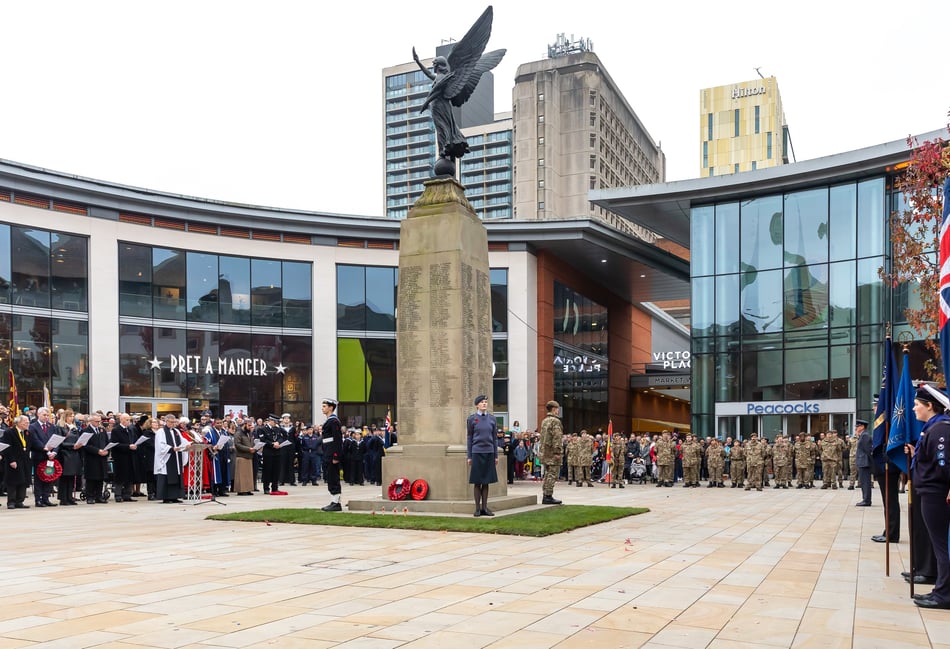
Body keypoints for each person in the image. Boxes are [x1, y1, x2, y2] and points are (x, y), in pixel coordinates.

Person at [906, 385, 950, 609]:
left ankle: (944, 595)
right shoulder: (932, 428)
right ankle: (941, 589)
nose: (914, 409)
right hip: (932, 491)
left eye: (917, 405)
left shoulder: (940, 429)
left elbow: (944, 465)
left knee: (942, 545)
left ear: (930, 406)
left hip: (936, 493)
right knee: (939, 544)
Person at [466, 394, 498, 517]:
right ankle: (477, 508)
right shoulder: (472, 419)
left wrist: (495, 455)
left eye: (485, 402)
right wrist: (469, 456)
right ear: (477, 405)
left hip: (489, 452)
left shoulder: (492, 419)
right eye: (482, 402)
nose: (484, 404)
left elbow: (494, 438)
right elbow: (469, 438)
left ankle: (485, 507)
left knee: (486, 481)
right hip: (477, 452)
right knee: (477, 481)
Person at [28, 406, 59, 507]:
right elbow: (35, 441)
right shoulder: (33, 426)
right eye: (44, 415)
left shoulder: (52, 426)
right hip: (39, 456)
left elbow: (56, 440)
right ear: (38, 414)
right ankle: (38, 499)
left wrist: (54, 452)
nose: (46, 417)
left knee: (49, 476)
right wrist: (46, 451)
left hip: (50, 458)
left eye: (47, 415)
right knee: (39, 478)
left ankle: (46, 498)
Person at [2, 414, 32, 509]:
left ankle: (20, 501)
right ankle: (11, 501)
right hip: (14, 460)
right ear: (18, 423)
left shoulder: (27, 433)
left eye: (28, 422)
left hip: (25, 460)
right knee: (13, 481)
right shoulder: (9, 432)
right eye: (25, 422)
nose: (27, 424)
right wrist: (11, 460)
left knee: (23, 481)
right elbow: (7, 448)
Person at [155, 414, 186, 503]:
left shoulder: (176, 431)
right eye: (171, 422)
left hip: (176, 457)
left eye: (174, 422)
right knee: (167, 476)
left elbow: (182, 440)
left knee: (177, 475)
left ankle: (175, 496)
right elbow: (160, 445)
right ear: (166, 421)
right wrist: (171, 448)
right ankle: (166, 497)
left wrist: (187, 444)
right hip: (167, 458)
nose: (173, 424)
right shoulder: (161, 431)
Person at [320, 398, 344, 511]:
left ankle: (336, 502)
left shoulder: (334, 421)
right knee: (330, 477)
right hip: (327, 452)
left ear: (331, 408)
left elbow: (337, 440)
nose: (322, 408)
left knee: (333, 477)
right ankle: (333, 501)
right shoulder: (329, 420)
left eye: (325, 406)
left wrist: (336, 455)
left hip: (332, 453)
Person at [538, 400, 564, 505]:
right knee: (552, 474)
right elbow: (557, 438)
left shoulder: (545, 421)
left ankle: (546, 494)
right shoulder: (555, 421)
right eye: (557, 409)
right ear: (554, 409)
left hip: (545, 452)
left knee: (547, 474)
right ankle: (548, 496)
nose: (558, 411)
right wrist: (557, 452)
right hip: (552, 453)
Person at [82, 414, 110, 504]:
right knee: (91, 478)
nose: (99, 423)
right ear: (90, 421)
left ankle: (99, 496)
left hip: (102, 458)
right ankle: (90, 496)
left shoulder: (102, 430)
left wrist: (107, 451)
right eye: (96, 421)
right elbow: (85, 445)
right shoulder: (86, 431)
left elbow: (106, 442)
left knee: (100, 477)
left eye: (99, 421)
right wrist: (97, 451)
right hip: (91, 458)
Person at [110, 413, 139, 502]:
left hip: (130, 455)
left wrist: (135, 445)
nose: (129, 422)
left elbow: (133, 440)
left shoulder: (130, 430)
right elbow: (115, 444)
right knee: (120, 476)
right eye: (127, 420)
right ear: (122, 420)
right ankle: (118, 494)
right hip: (120, 457)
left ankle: (127, 494)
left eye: (129, 420)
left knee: (129, 476)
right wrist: (128, 446)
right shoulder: (116, 430)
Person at [232, 418, 257, 496]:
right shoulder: (238, 433)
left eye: (251, 425)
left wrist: (255, 447)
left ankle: (248, 489)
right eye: (249, 425)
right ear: (244, 424)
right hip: (241, 456)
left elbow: (251, 443)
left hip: (249, 456)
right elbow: (237, 445)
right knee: (241, 475)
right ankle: (241, 490)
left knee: (248, 475)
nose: (250, 427)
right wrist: (248, 449)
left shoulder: (249, 433)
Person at [853, 419, 872, 506]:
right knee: (863, 482)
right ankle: (865, 498)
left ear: (862, 427)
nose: (856, 428)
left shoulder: (865, 436)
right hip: (862, 462)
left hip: (865, 462)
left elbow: (868, 450)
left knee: (865, 482)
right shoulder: (862, 435)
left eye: (857, 426)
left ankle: (867, 500)